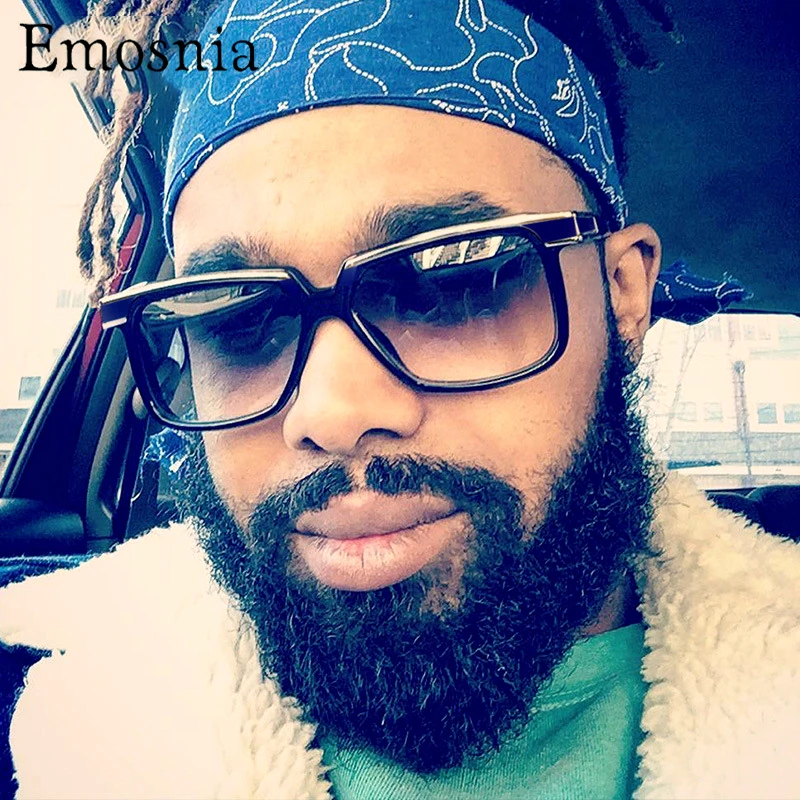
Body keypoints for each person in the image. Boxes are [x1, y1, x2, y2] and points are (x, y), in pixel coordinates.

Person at [1, 1, 799, 798]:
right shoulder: (58, 712)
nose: (331, 412)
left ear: (622, 296)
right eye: (241, 318)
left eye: (454, 280)